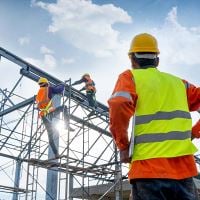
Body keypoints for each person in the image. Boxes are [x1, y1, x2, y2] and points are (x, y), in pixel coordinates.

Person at [108, 33, 200, 200]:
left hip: (147, 169)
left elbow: (119, 103)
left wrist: (122, 146)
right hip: (184, 170)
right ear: (157, 60)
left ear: (132, 59)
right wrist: (195, 132)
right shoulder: (179, 84)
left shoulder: (130, 77)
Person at [36, 77, 74, 156]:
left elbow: (39, 105)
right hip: (49, 113)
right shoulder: (48, 88)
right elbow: (58, 90)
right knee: (64, 108)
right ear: (46, 83)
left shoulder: (38, 94)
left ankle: (56, 154)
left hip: (44, 115)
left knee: (50, 135)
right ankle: (66, 125)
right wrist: (63, 85)